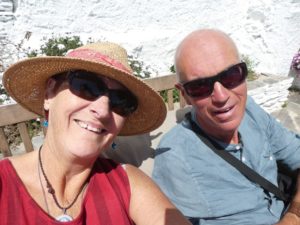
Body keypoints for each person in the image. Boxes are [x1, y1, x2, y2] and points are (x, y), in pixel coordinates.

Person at [0, 42, 191, 225]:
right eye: (86, 86)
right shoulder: (4, 183)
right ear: (50, 93)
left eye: (121, 101)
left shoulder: (129, 184)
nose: (103, 110)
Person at [152, 29, 300, 225]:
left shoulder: (250, 112)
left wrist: (294, 214)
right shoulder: (175, 157)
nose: (221, 97)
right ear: (185, 94)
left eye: (231, 76)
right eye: (200, 87)